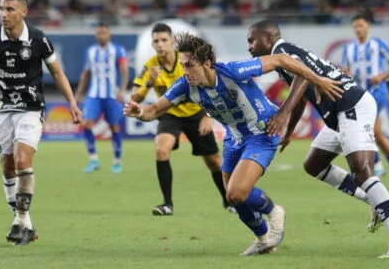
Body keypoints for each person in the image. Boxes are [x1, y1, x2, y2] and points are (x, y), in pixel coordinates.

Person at [124, 33, 342, 255]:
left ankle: (274, 211)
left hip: (262, 133)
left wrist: (317, 80)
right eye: (183, 66)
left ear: (207, 63)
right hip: (234, 138)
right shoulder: (185, 86)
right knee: (233, 196)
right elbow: (153, 111)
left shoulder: (233, 71)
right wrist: (138, 111)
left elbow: (281, 60)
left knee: (237, 192)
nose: (185, 72)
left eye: (190, 66)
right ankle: (263, 240)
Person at [247, 20, 389, 259]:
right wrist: (289, 131)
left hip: (350, 106)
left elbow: (303, 78)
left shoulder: (282, 52)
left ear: (267, 39)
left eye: (251, 41)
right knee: (313, 164)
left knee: (363, 172)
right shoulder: (285, 56)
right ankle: (373, 201)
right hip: (338, 114)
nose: (249, 47)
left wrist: (282, 113)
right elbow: (302, 91)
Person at [0, 0, 82, 246]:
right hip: (3, 109)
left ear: (23, 12)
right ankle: (23, 223)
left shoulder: (38, 39)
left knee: (22, 160)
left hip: (31, 107)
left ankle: (20, 219)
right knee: (7, 168)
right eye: (1, 9)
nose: (4, 14)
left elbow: (58, 73)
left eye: (9, 10)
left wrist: (72, 103)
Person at [130, 23, 231, 215]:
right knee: (161, 149)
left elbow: (210, 84)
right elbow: (135, 98)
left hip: (195, 112)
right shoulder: (150, 66)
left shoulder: (185, 61)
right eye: (156, 41)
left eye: (164, 40)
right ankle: (167, 204)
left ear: (172, 41)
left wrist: (209, 115)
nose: (160, 44)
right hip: (170, 115)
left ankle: (229, 201)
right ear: (152, 45)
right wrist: (149, 83)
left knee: (213, 161)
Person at [340, 12, 389, 186]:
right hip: (360, 94)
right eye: (355, 26)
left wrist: (382, 76)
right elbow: (345, 69)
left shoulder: (378, 44)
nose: (358, 29)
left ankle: (380, 167)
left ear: (368, 26)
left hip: (377, 91)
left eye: (361, 25)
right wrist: (345, 74)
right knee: (375, 133)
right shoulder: (348, 49)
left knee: (369, 131)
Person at [75, 23, 129, 174]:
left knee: (114, 127)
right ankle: (93, 159)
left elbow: (124, 71)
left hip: (112, 95)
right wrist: (77, 95)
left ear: (109, 34)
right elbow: (86, 74)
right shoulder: (91, 51)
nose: (102, 36)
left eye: (104, 33)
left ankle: (117, 161)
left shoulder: (118, 50)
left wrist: (122, 90)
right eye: (99, 33)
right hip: (94, 95)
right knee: (87, 124)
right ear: (96, 35)